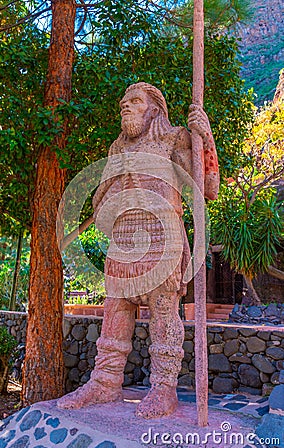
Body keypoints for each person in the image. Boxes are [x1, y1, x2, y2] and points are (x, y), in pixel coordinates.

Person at [58, 82, 219, 418]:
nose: (125, 108)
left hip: (162, 237)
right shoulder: (118, 149)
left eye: (134, 102)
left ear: (154, 109)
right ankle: (105, 381)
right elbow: (101, 199)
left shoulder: (173, 138)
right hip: (124, 238)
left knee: (163, 314)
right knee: (115, 313)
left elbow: (209, 188)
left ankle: (163, 389)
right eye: (122, 104)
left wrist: (205, 138)